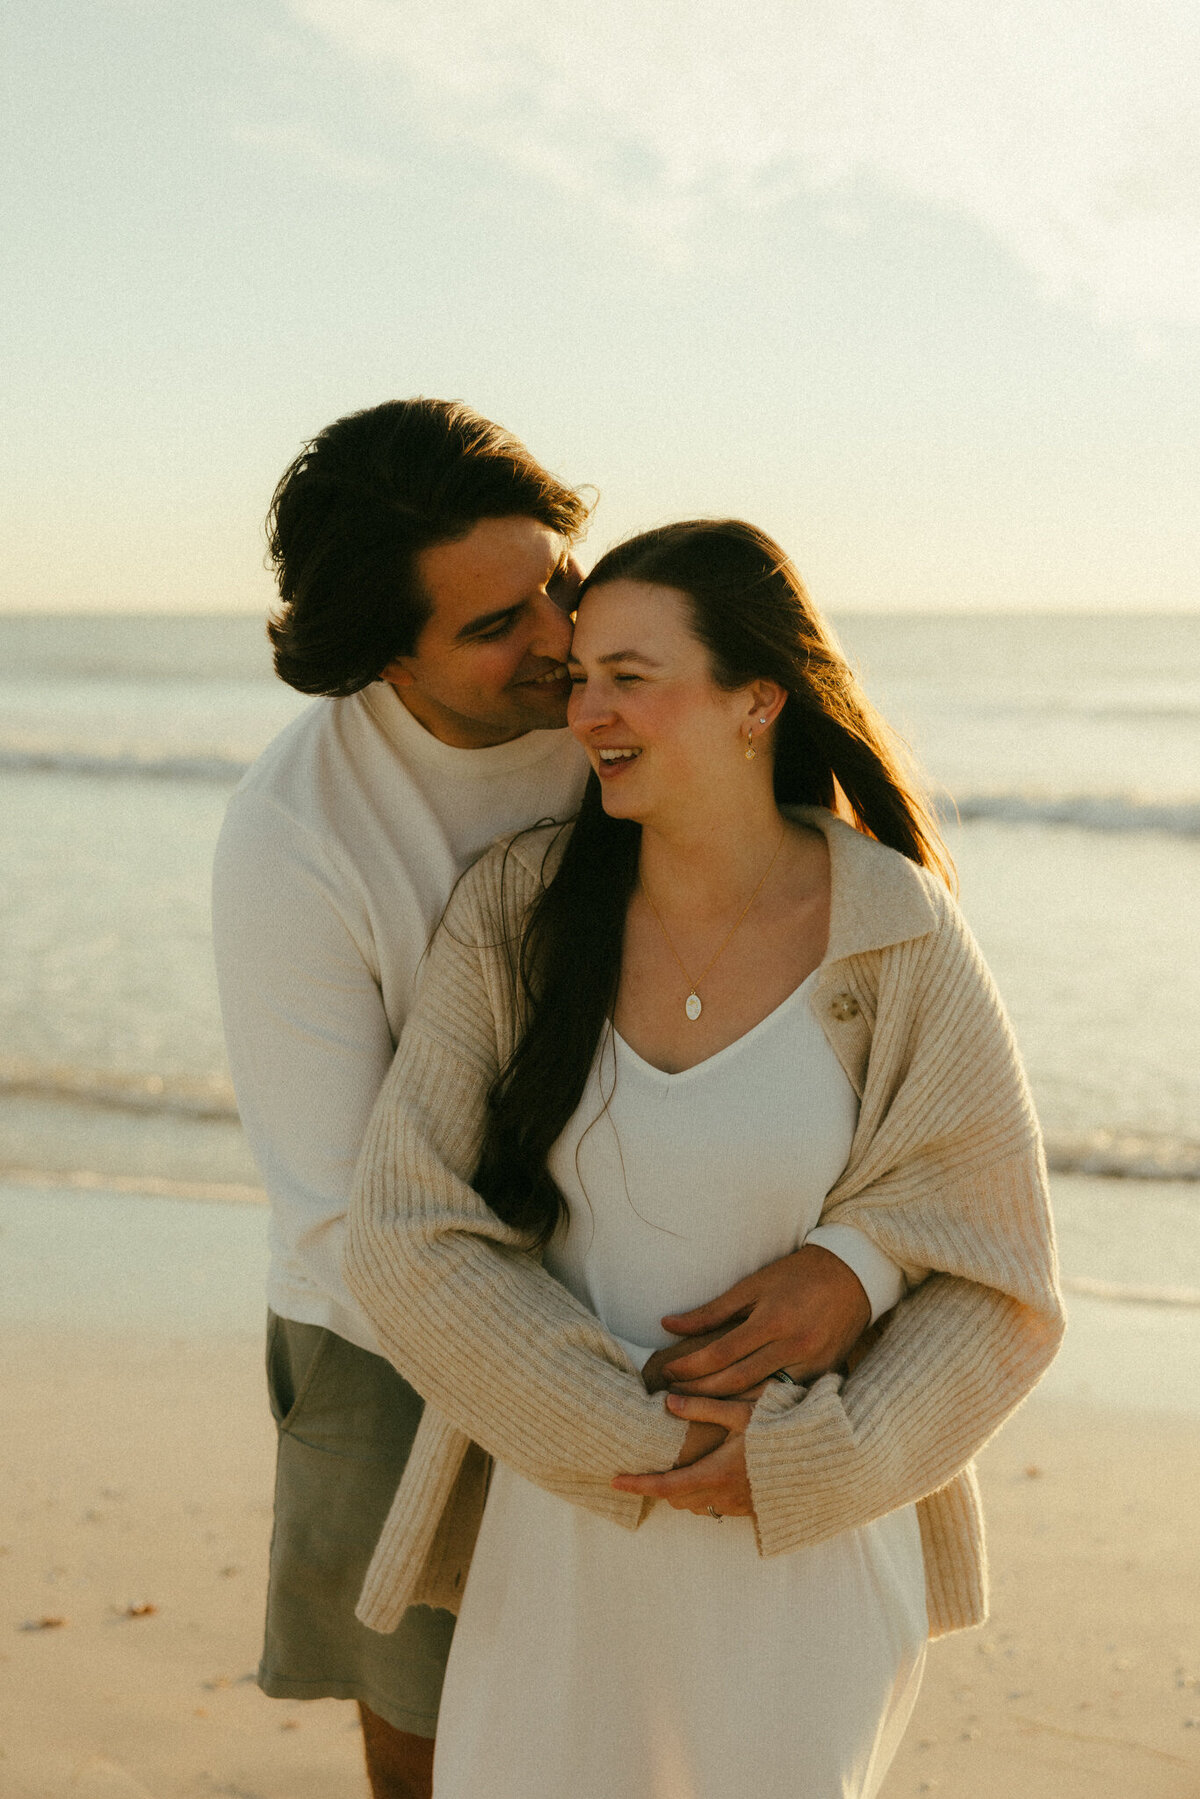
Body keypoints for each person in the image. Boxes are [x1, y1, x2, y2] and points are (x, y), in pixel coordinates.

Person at [211, 408, 898, 1799]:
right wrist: (633, 1423)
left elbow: (873, 1041)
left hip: (672, 1287)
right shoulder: (302, 839)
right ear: (382, 655)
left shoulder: (645, 705)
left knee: (683, 1731)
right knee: (441, 1732)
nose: (556, 641)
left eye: (556, 582)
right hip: (398, 1335)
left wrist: (858, 1263)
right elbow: (355, 1218)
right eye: (494, 626)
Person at [344, 519, 1066, 1799]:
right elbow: (407, 1230)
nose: (588, 710)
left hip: (803, 1556)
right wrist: (640, 1436)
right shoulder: (515, 914)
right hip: (565, 1532)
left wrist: (815, 1448)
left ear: (755, 699)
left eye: (631, 674)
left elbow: (1000, 1275)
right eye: (578, 677)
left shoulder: (895, 933)